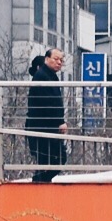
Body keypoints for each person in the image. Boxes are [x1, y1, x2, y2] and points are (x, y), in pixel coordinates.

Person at [26, 48, 68, 182]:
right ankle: (38, 183)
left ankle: (40, 182)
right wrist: (60, 121)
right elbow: (48, 103)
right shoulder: (42, 76)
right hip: (43, 127)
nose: (59, 62)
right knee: (54, 159)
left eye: (61, 60)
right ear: (47, 59)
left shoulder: (49, 75)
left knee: (50, 160)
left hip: (46, 126)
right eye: (56, 59)